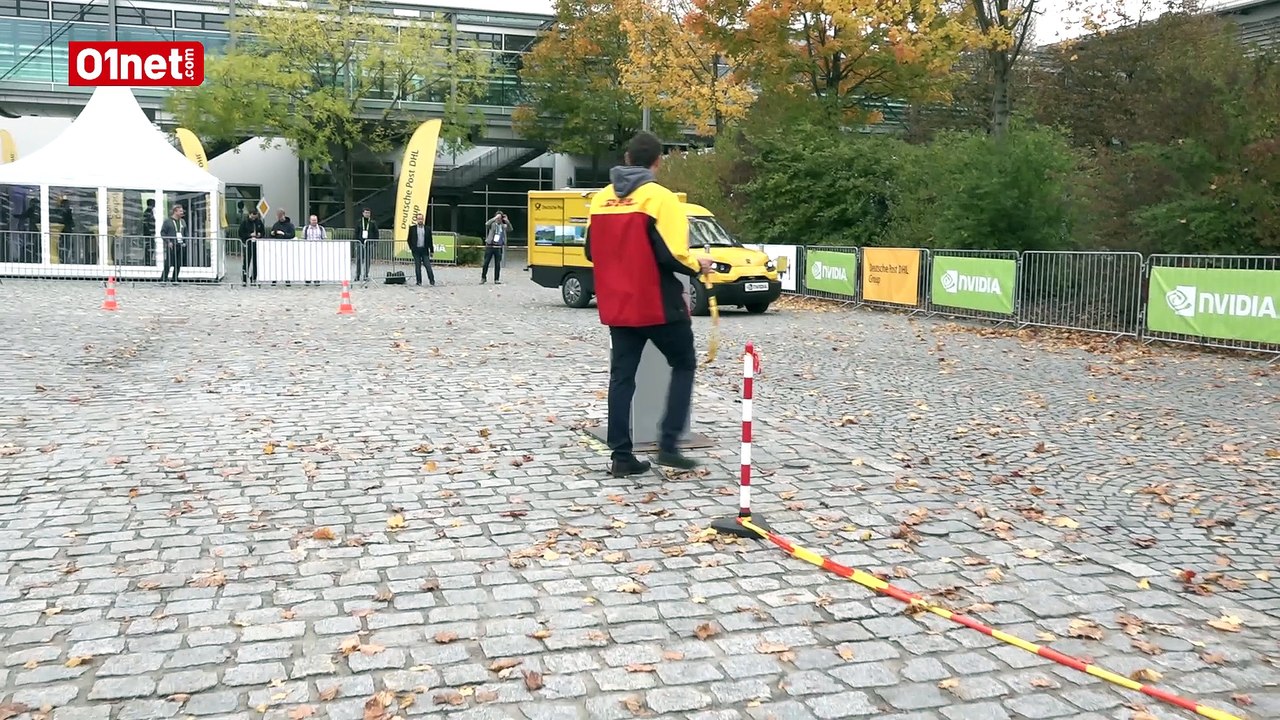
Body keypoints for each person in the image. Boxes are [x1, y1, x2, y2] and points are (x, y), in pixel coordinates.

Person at [585, 131, 715, 478]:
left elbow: (589, 252)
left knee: (622, 378)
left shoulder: (600, 200)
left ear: (626, 158)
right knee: (684, 363)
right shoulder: (660, 198)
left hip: (618, 305)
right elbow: (671, 254)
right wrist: (697, 266)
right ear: (658, 161)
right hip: (657, 303)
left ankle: (621, 455)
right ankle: (669, 445)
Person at [481, 211, 510, 285]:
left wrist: (507, 221)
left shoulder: (503, 226)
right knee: (486, 262)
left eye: (500, 218)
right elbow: (486, 224)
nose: (499, 219)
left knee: (497, 264)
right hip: (490, 245)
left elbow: (510, 229)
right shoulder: (493, 224)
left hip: (498, 246)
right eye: (498, 217)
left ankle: (496, 279)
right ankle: (483, 278)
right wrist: (494, 218)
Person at [159, 204, 186, 284]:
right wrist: (168, 241)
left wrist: (185, 242)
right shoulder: (167, 222)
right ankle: (163, 278)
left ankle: (175, 278)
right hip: (171, 244)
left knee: (178, 263)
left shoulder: (182, 221)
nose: (182, 212)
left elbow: (185, 232)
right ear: (175, 211)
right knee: (169, 262)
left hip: (180, 244)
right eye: (180, 211)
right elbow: (163, 233)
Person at [407, 212, 435, 286]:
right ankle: (419, 281)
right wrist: (411, 247)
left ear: (423, 219)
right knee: (417, 266)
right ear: (416, 220)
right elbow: (409, 239)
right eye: (418, 219)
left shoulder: (427, 229)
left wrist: (431, 250)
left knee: (428, 266)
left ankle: (432, 280)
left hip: (424, 250)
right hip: (416, 250)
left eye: (421, 219)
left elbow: (430, 240)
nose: (420, 220)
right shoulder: (412, 228)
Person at [238, 209, 265, 284]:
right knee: (246, 261)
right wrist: (249, 235)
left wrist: (260, 234)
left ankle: (253, 278)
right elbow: (240, 233)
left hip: (256, 244)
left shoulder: (259, 222)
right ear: (249, 215)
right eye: (252, 217)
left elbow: (263, 231)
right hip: (248, 243)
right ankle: (244, 278)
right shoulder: (245, 222)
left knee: (255, 262)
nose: (254, 218)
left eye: (255, 217)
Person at [353, 207, 378, 282]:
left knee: (367, 260)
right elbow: (356, 232)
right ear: (363, 213)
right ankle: (357, 275)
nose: (367, 214)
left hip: (369, 243)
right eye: (366, 213)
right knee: (359, 259)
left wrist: (374, 242)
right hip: (360, 243)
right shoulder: (359, 222)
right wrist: (356, 241)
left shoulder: (373, 222)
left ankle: (366, 275)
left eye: (368, 213)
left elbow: (376, 233)